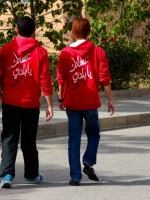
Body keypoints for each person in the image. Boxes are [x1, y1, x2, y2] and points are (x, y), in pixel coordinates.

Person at [0, 16, 54, 188]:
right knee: (29, 140)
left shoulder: (5, 50)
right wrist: (50, 104)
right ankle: (31, 174)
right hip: (30, 103)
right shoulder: (41, 52)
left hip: (10, 101)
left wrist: (6, 90)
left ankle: (6, 175)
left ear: (16, 30)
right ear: (34, 31)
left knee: (9, 137)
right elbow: (45, 79)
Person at [56, 17, 115, 186]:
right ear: (89, 32)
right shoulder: (98, 51)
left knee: (73, 138)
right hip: (90, 102)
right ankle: (88, 162)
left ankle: (75, 176)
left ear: (73, 33)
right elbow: (105, 79)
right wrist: (110, 100)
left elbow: (61, 78)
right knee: (94, 134)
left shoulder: (65, 53)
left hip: (72, 102)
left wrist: (61, 98)